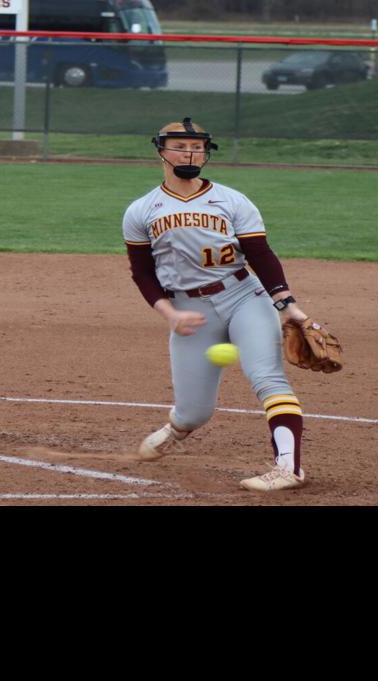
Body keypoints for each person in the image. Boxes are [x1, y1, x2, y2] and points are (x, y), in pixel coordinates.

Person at [122, 118, 318, 492]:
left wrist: (287, 304)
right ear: (161, 151)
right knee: (195, 411)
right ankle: (177, 429)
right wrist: (169, 313)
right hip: (189, 310)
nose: (189, 153)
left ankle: (288, 468)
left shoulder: (232, 201)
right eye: (180, 146)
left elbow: (260, 254)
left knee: (268, 377)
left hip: (244, 296)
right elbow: (142, 272)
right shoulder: (141, 210)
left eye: (197, 147)